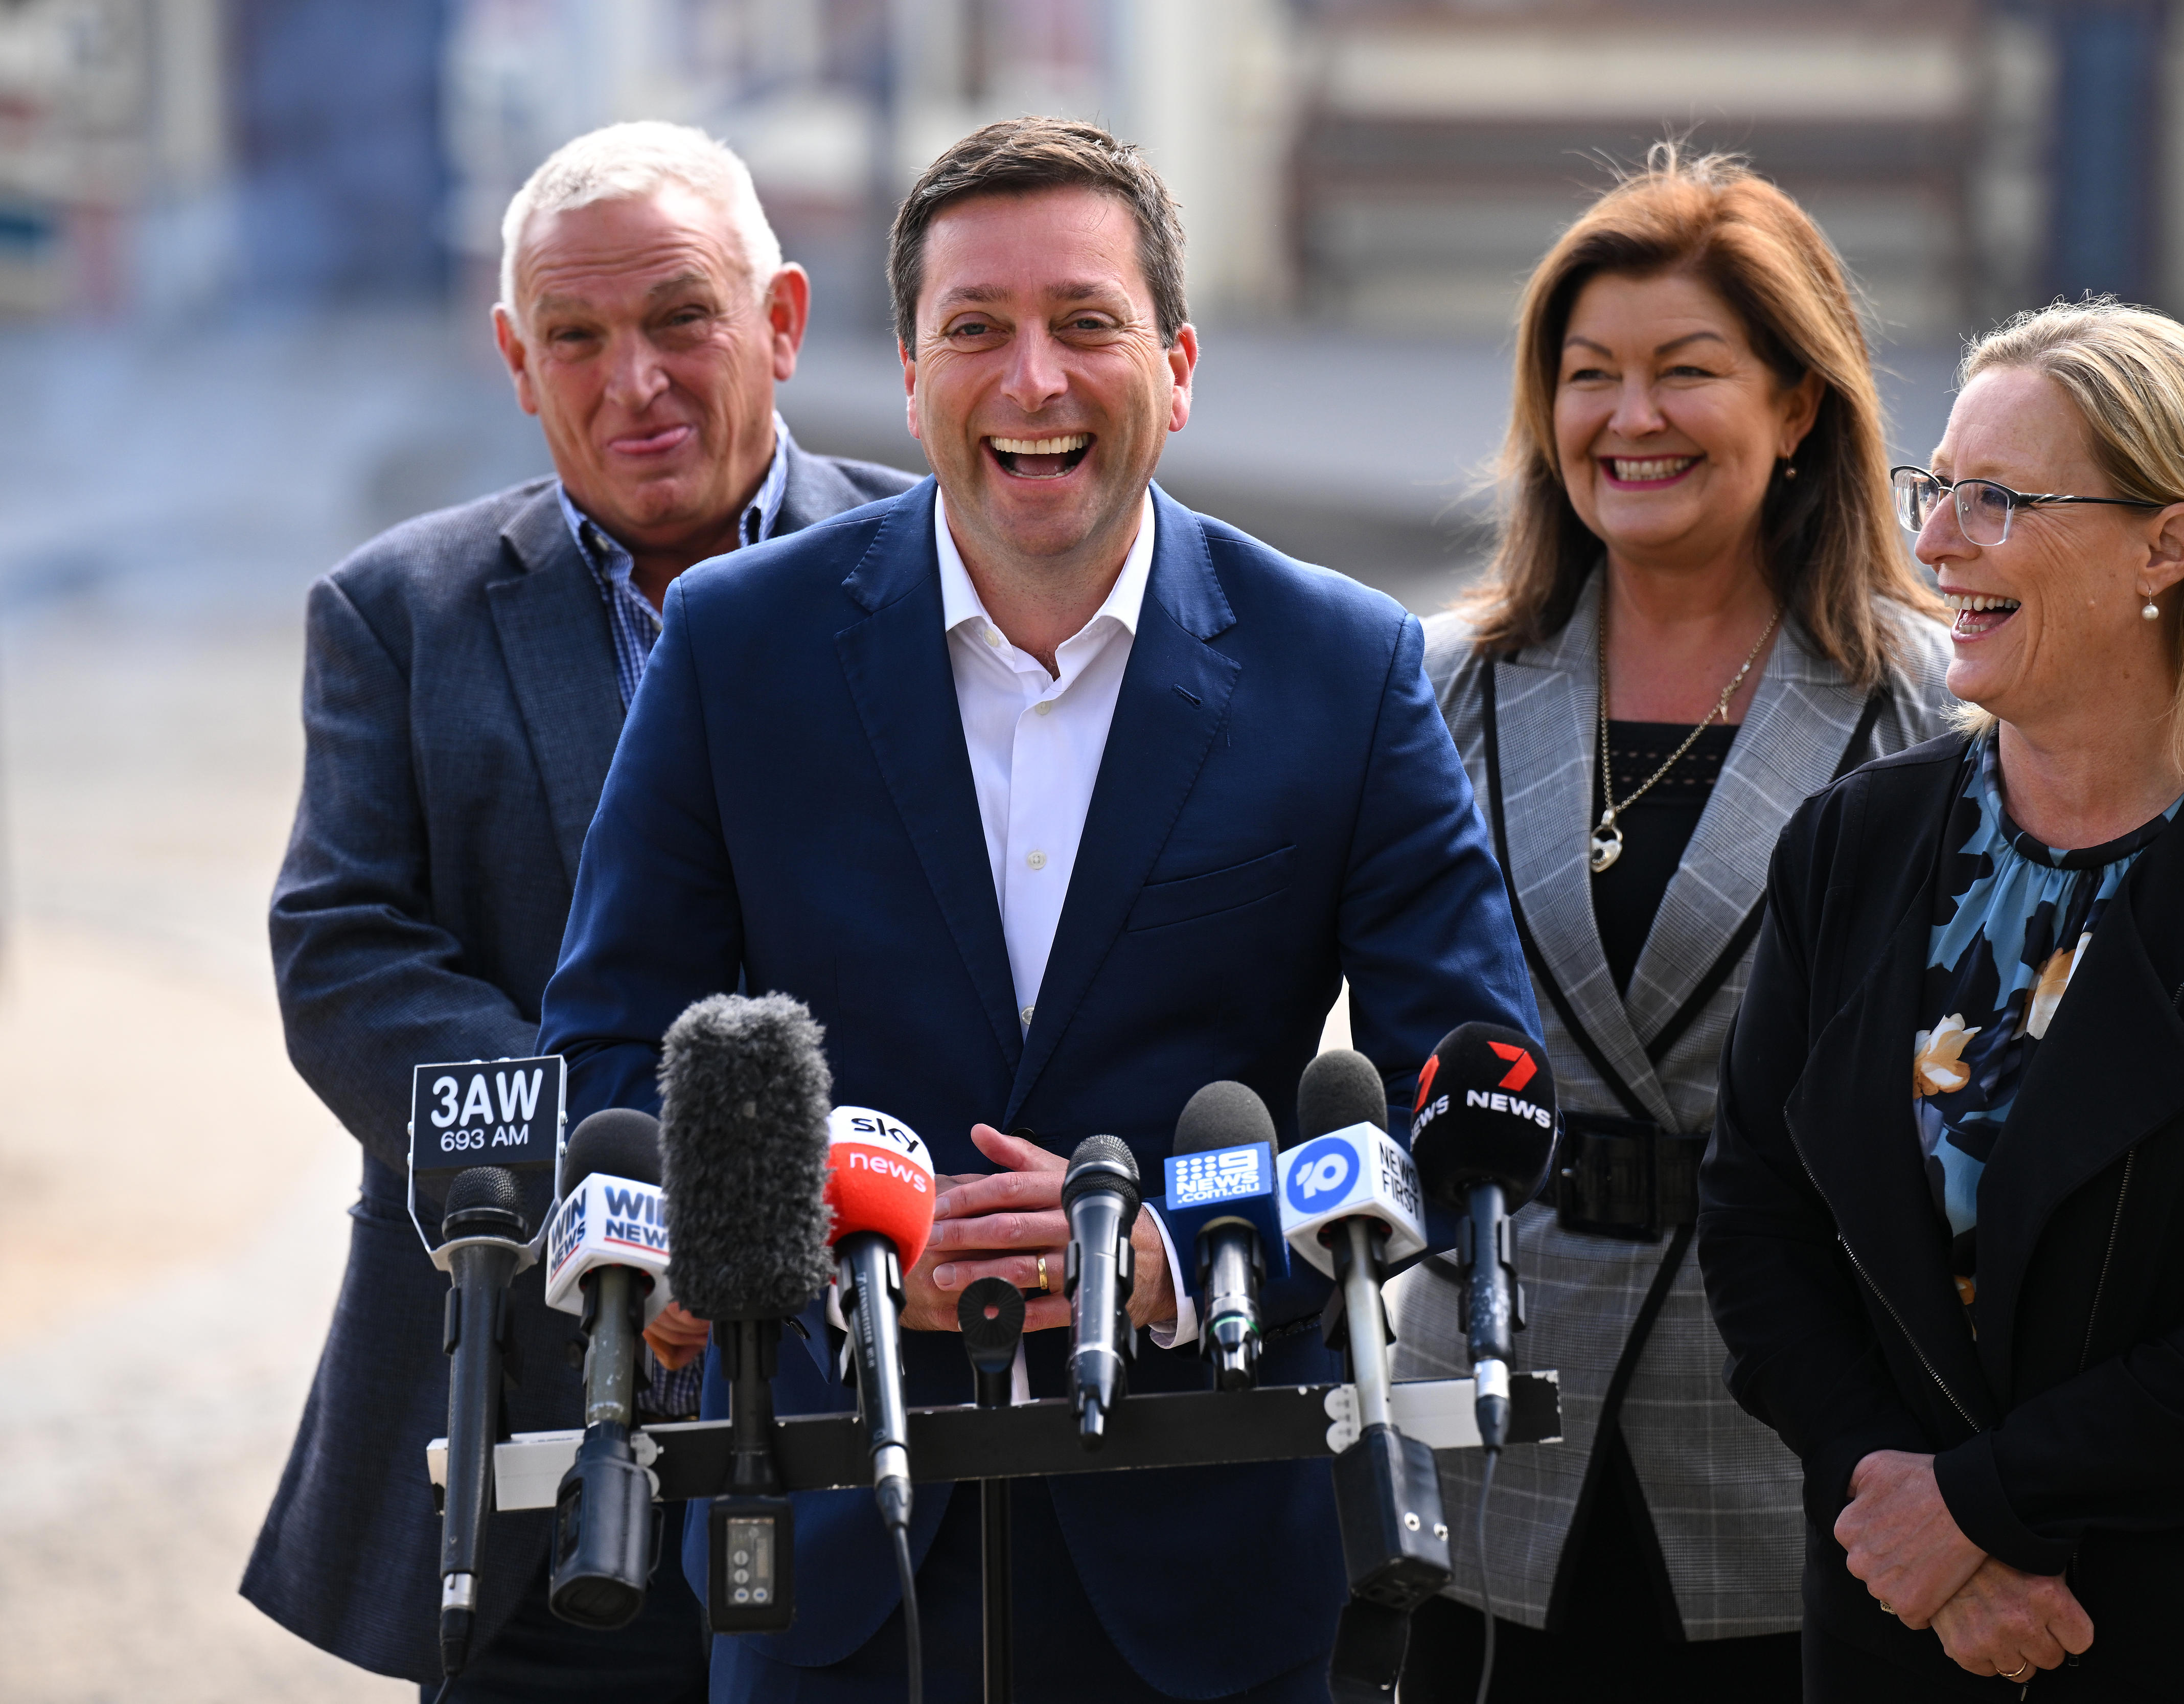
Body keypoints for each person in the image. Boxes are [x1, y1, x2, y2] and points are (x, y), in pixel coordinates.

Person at [534, 116, 1537, 1703]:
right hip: (832, 1554)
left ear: (1179, 362)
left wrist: (1193, 1260)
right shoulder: (739, 643)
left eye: (1086, 325)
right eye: (976, 332)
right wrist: (799, 1254)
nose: (1034, 384)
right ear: (913, 371)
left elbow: (1462, 1081)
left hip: (1212, 1549)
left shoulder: (1343, 666)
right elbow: (606, 1041)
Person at [243, 121, 917, 1699]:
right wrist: (640, 1181)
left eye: (683, 318)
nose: (636, 383)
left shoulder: (930, 575)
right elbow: (344, 957)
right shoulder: (398, 613)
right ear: (514, 360)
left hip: (889, 1409)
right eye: (578, 337)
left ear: (784, 319)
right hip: (535, 1429)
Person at [1697, 298, 2184, 1701]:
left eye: (1997, 499)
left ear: (2170, 543)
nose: (1933, 542)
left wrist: (1973, 1511)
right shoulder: (1854, 842)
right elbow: (1758, 1224)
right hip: (1901, 1631)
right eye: (1936, 490)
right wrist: (1911, 1525)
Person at [1389, 149, 1949, 1701]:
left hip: (1794, 1415)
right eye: (1589, 377)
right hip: (1494, 1402)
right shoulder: (1437, 684)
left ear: (1799, 409)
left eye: (1686, 372)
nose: (1628, 419)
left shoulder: (1936, 711)